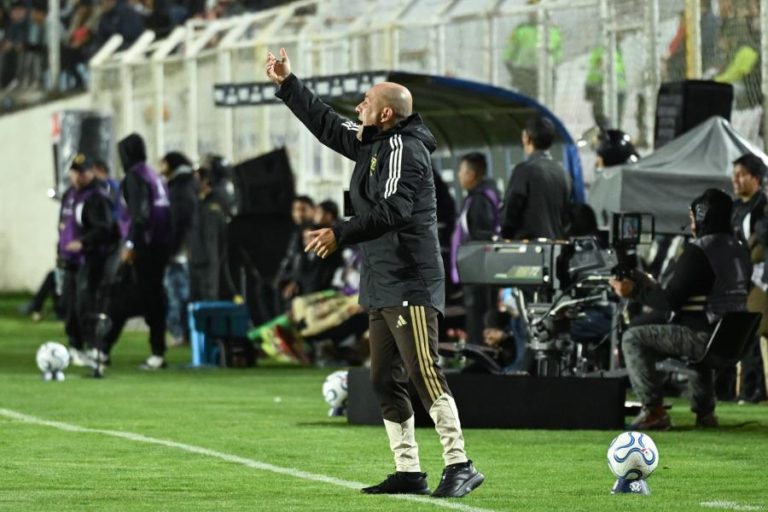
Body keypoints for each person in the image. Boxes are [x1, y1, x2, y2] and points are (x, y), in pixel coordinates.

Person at [267, 47, 484, 498]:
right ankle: (408, 470)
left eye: (365, 101)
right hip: (382, 281)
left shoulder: (405, 147)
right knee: (384, 377)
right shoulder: (375, 141)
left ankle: (460, 463)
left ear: (385, 113)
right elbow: (329, 124)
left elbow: (396, 209)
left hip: (410, 279)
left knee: (425, 370)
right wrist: (288, 84)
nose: (358, 107)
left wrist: (339, 232)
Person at [610, 188, 750, 430]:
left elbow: (670, 301)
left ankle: (653, 410)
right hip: (731, 340)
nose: (691, 223)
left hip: (704, 337)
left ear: (702, 216)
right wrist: (649, 285)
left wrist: (632, 290)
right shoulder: (739, 249)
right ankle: (705, 413)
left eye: (693, 217)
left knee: (633, 337)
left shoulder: (699, 250)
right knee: (696, 343)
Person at [99, 133, 172, 370]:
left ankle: (102, 350)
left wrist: (130, 245)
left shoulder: (134, 177)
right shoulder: (155, 177)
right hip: (159, 248)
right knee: (153, 300)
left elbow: (140, 215)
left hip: (143, 248)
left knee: (120, 298)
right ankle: (157, 353)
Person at [58, 154, 118, 366]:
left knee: (87, 303)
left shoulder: (97, 197)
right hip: (70, 260)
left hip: (90, 259)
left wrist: (83, 242)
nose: (78, 176)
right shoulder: (70, 195)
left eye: (82, 172)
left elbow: (105, 229)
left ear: (91, 172)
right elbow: (63, 225)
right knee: (69, 304)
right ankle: (75, 345)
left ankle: (95, 347)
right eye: (75, 171)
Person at [449, 152, 500, 346]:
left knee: (478, 317)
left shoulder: (481, 199)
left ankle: (480, 359)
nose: (459, 175)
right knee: (475, 316)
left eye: (461, 170)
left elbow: (482, 237)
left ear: (472, 173)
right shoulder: (476, 196)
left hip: (479, 272)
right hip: (474, 271)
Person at [731, 154, 768, 403]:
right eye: (735, 174)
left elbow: (762, 242)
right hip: (740, 277)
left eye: (742, 174)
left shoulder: (761, 206)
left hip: (760, 277)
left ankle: (755, 390)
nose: (736, 179)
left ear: (756, 178)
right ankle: (744, 389)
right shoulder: (735, 208)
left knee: (756, 331)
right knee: (745, 333)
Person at [500, 116, 570, 240]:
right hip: (555, 248)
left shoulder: (524, 171)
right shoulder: (562, 173)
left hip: (529, 251)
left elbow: (510, 213)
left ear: (527, 138)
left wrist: (506, 235)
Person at [160, 151, 198, 347]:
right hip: (187, 248)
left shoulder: (180, 186)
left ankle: (179, 333)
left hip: (180, 251)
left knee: (177, 293)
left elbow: (181, 220)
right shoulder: (188, 182)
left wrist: (173, 249)